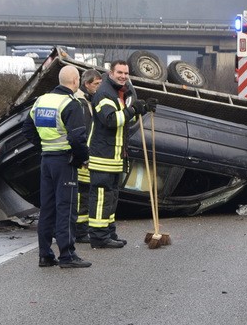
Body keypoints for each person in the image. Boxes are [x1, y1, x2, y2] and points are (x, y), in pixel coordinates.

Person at [21, 64, 91, 268]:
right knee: (66, 208)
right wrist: (82, 159)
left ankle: (45, 255)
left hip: (47, 160)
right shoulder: (71, 104)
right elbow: (78, 138)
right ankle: (67, 255)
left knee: (47, 209)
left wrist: (43, 145)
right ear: (76, 81)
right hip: (64, 161)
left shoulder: (42, 100)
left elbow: (27, 129)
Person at [87, 60, 156, 248]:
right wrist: (132, 109)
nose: (123, 76)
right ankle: (99, 237)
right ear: (111, 72)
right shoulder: (103, 94)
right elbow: (110, 120)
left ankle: (109, 232)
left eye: (126, 73)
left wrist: (142, 110)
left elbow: (125, 119)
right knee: (102, 196)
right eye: (120, 72)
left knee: (112, 196)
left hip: (116, 156)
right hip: (103, 156)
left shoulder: (120, 93)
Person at [74, 68, 103, 244]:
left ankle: (79, 231)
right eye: (96, 84)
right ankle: (79, 232)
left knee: (82, 194)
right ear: (86, 84)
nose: (99, 88)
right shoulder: (82, 102)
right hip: (81, 158)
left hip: (79, 156)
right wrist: (84, 156)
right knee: (81, 195)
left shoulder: (86, 99)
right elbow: (84, 131)